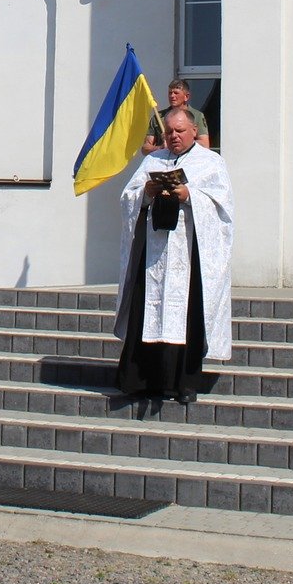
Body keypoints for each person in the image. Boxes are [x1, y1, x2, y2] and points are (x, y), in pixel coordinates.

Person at [115, 104, 234, 401]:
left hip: (189, 254)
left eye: (180, 131)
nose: (174, 136)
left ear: (194, 130)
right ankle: (142, 380)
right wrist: (146, 193)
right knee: (148, 309)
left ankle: (184, 384)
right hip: (154, 255)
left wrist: (190, 195)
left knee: (187, 315)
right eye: (169, 131)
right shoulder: (153, 160)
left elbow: (223, 207)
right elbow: (128, 197)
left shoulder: (211, 163)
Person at [142, 79, 210, 153]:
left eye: (176, 93)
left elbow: (204, 144)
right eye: (170, 93)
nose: (172, 96)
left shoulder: (197, 116)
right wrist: (160, 148)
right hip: (164, 158)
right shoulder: (158, 117)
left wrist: (178, 143)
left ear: (186, 97)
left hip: (189, 158)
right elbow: (145, 148)